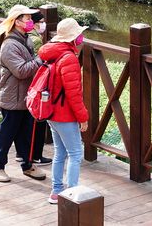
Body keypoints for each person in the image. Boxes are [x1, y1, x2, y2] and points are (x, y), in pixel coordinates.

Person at [0, 4, 45, 183]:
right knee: (7, 134)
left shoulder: (26, 40)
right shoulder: (9, 45)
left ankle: (27, 165)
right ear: (16, 22)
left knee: (25, 133)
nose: (31, 22)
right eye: (28, 19)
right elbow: (21, 71)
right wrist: (40, 58)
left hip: (25, 96)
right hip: (12, 97)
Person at [38, 18, 90, 204]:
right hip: (64, 115)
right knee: (76, 153)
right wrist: (83, 117)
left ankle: (56, 191)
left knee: (60, 152)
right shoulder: (69, 58)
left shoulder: (53, 54)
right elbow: (74, 94)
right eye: (78, 36)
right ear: (72, 39)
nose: (81, 38)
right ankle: (71, 195)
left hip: (51, 112)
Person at [20, 10, 51, 165]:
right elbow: (39, 61)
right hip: (35, 86)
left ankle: (23, 153)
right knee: (36, 122)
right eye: (42, 21)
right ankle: (35, 155)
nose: (44, 24)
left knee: (23, 123)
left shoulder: (25, 35)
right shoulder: (35, 40)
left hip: (26, 86)